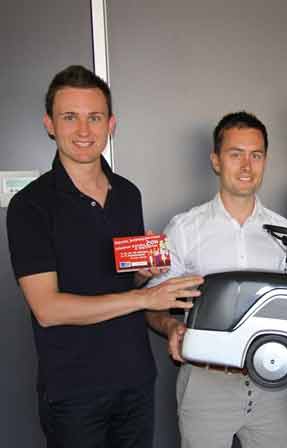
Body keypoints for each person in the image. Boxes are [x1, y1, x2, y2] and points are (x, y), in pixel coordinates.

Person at [6, 65, 203, 448]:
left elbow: (119, 281)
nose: (84, 130)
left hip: (135, 381)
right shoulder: (30, 205)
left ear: (111, 124)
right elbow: (48, 309)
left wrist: (144, 273)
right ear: (49, 124)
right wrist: (144, 297)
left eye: (94, 117)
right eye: (70, 117)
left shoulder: (128, 194)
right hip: (73, 391)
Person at [146, 111, 287, 448]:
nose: (247, 166)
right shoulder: (184, 229)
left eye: (256, 155)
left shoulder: (286, 233)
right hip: (206, 384)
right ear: (216, 161)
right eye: (235, 154)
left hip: (271, 386)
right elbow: (150, 304)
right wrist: (171, 327)